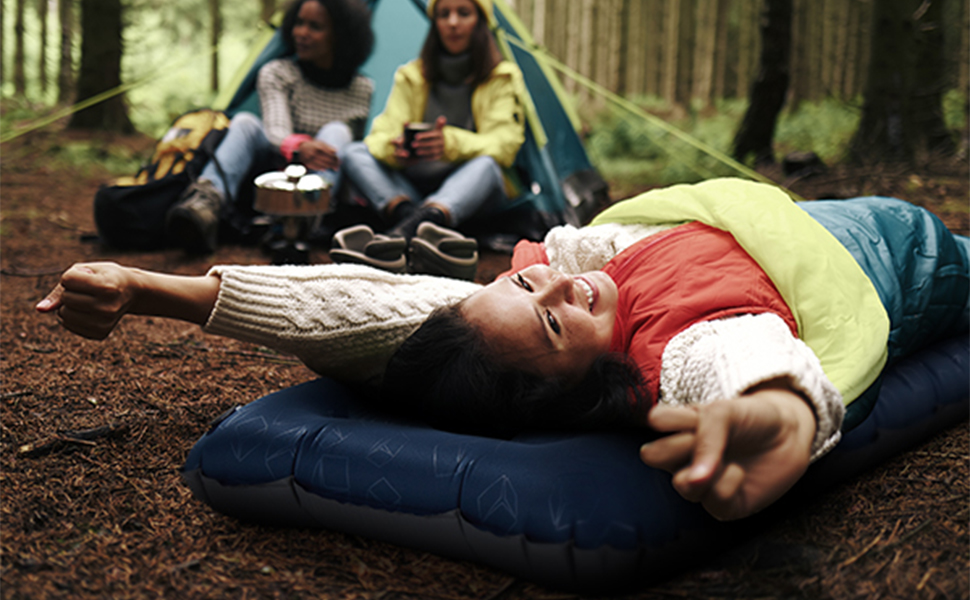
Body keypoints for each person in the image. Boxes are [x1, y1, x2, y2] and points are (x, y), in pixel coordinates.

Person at [35, 179, 969, 522]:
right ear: (595, 383)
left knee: (444, 303)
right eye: (559, 320)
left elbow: (356, 306)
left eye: (530, 287)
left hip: (790, 221)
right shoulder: (679, 344)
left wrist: (150, 289)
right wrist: (774, 415)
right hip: (892, 253)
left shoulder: (529, 291)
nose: (562, 288)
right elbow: (743, 368)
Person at [166, 0, 375, 255]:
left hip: (324, 183)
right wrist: (299, 147)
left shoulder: (362, 88)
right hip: (272, 175)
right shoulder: (278, 72)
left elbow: (355, 148)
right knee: (245, 122)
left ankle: (304, 218)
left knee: (337, 132)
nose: (301, 33)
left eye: (315, 27)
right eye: (298, 23)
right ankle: (205, 203)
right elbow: (277, 130)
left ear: (340, 35)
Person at [335, 0, 526, 242]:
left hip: (471, 193)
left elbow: (505, 145)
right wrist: (396, 149)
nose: (453, 23)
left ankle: (411, 227)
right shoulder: (412, 76)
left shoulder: (502, 77)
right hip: (415, 188)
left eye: (464, 13)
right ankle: (416, 221)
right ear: (435, 23)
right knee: (354, 152)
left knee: (486, 166)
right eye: (444, 15)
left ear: (480, 21)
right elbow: (379, 136)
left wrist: (449, 144)